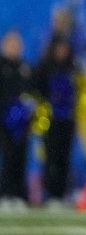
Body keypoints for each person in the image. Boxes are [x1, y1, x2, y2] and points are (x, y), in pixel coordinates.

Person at [34, 35, 79, 205]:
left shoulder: (73, 67)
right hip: (49, 120)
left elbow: (80, 93)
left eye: (65, 48)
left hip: (67, 119)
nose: (62, 51)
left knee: (64, 157)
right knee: (51, 157)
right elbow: (38, 92)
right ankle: (50, 193)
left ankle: (60, 194)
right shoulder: (45, 67)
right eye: (59, 48)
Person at [0, 29, 33, 208]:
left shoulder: (25, 68)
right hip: (4, 120)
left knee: (20, 156)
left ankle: (18, 193)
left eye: (17, 45)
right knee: (7, 157)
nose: (15, 48)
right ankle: (4, 193)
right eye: (11, 45)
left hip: (22, 122)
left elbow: (31, 93)